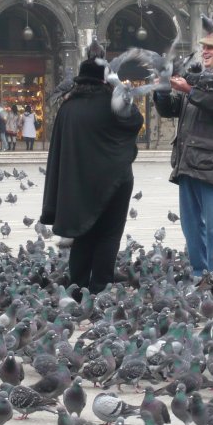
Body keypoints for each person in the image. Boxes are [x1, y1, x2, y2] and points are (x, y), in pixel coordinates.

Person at [40, 52, 144, 295]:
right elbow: (135, 121)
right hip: (115, 180)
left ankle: (77, 284)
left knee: (83, 234)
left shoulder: (68, 108)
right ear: (106, 79)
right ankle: (100, 286)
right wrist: (120, 89)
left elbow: (60, 151)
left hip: (77, 182)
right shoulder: (112, 102)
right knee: (109, 235)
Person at [153, 32, 213, 277]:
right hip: (187, 162)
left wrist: (190, 89)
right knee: (191, 226)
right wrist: (163, 91)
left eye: (212, 48)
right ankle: (199, 274)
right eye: (204, 47)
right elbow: (173, 109)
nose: (205, 52)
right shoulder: (198, 78)